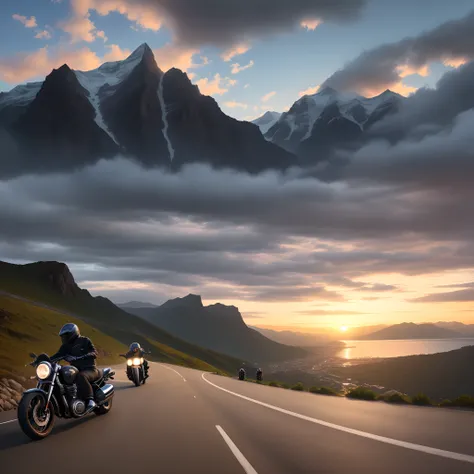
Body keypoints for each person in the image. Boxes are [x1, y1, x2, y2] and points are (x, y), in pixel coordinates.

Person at [51, 323, 99, 414]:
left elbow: (94, 352)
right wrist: (44, 361)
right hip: (75, 369)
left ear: (73, 333)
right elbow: (57, 355)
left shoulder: (85, 341)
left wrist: (83, 356)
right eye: (63, 336)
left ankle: (90, 400)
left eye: (66, 335)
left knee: (81, 376)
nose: (64, 338)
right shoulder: (65, 346)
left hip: (89, 369)